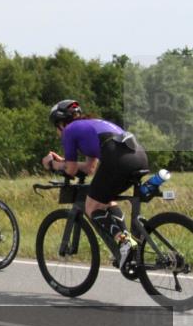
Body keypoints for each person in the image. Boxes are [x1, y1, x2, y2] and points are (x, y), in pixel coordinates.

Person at [41, 100, 148, 272]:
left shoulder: (69, 131)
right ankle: (129, 245)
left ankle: (124, 241)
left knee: (91, 206)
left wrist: (52, 164)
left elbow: (71, 170)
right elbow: (89, 168)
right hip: (138, 156)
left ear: (61, 123)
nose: (57, 132)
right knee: (107, 201)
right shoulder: (92, 124)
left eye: (56, 127)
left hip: (117, 158)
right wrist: (66, 162)